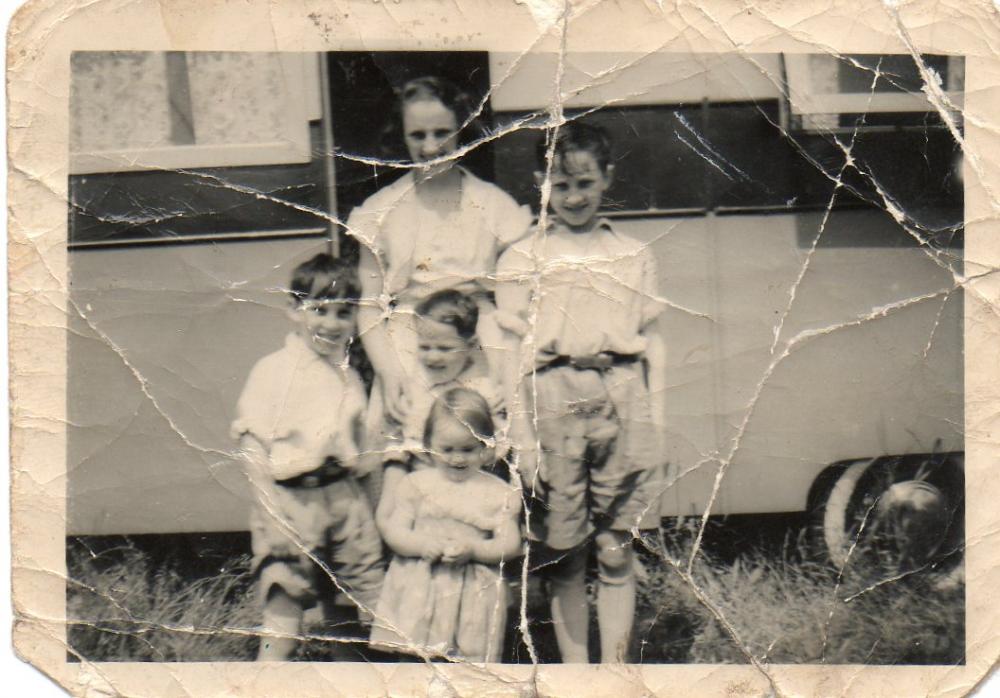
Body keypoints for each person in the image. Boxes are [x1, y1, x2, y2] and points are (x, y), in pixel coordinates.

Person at [495, 122, 669, 663]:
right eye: (560, 186)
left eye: (585, 183)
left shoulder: (633, 253)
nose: (573, 197)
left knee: (616, 549)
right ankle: (576, 674)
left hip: (620, 397)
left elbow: (653, 346)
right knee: (565, 553)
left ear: (607, 179)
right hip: (553, 400)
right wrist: (522, 439)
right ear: (539, 184)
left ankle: (614, 668)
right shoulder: (520, 258)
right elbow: (510, 358)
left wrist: (657, 427)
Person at [346, 76, 532, 498]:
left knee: (494, 426)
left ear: (460, 130)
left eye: (441, 132)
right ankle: (404, 542)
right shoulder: (382, 210)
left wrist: (507, 367)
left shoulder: (493, 204)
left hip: (479, 338)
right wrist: (389, 372)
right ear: (402, 137)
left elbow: (515, 294)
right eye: (418, 134)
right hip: (412, 342)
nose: (430, 145)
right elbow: (370, 306)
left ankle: (489, 533)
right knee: (397, 436)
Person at [231, 253, 385, 661]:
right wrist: (272, 517)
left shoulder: (349, 375)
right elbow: (252, 448)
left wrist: (368, 511)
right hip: (291, 501)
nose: (331, 324)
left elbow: (363, 451)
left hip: (344, 498)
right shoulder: (273, 370)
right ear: (293, 310)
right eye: (319, 310)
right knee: (284, 604)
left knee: (349, 612)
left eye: (343, 314)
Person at [369, 388, 523, 662]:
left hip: (472, 590)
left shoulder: (497, 492)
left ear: (486, 448)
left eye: (468, 449)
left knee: (465, 664)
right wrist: (422, 544)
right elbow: (395, 533)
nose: (457, 458)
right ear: (429, 445)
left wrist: (475, 550)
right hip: (421, 583)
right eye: (447, 449)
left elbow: (510, 543)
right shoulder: (416, 485)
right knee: (414, 656)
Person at [377, 289, 508, 524]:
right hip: (422, 492)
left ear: (471, 345)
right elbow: (397, 445)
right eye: (425, 347)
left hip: (472, 490)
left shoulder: (483, 390)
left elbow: (497, 448)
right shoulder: (413, 388)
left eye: (445, 348)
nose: (433, 357)